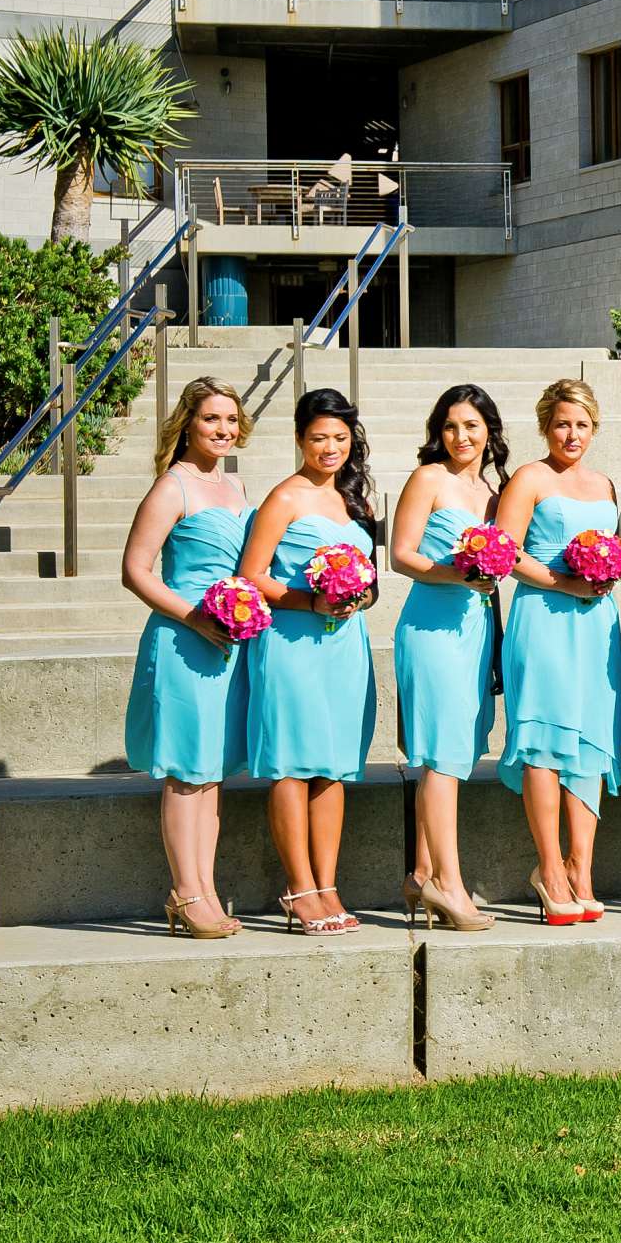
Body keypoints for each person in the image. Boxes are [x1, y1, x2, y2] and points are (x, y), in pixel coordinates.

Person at [241, 388, 381, 935]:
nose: (329, 448)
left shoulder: (355, 502)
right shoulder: (285, 498)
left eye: (340, 438)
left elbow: (369, 578)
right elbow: (253, 574)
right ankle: (298, 887)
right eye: (319, 437)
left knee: (332, 767)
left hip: (345, 645)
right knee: (292, 764)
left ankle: (328, 884)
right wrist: (311, 599)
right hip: (292, 643)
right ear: (300, 438)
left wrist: (356, 595)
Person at [120, 377, 253, 940]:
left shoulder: (238, 486)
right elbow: (135, 570)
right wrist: (195, 616)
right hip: (183, 639)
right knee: (185, 772)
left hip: (229, 643)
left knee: (212, 774)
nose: (221, 430)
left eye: (229, 420)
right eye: (210, 420)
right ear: (188, 424)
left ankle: (205, 887)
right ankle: (186, 891)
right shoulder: (172, 488)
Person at [496, 379, 621, 925]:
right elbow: (503, 553)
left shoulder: (605, 484)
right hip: (544, 619)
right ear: (545, 427)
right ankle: (549, 869)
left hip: (596, 625)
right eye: (561, 424)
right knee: (544, 741)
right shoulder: (529, 477)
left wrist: (604, 572)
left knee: (590, 744)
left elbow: (618, 553)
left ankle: (582, 868)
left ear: (594, 428)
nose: (571, 434)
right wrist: (562, 580)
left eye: (581, 424)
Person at [390, 384, 507, 933]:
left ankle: (421, 871)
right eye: (451, 426)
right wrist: (454, 570)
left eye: (472, 426)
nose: (461, 437)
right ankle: (449, 886)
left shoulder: (494, 487)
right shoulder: (428, 479)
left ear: (490, 431)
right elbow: (401, 555)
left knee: (454, 751)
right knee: (441, 755)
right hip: (432, 627)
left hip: (476, 629)